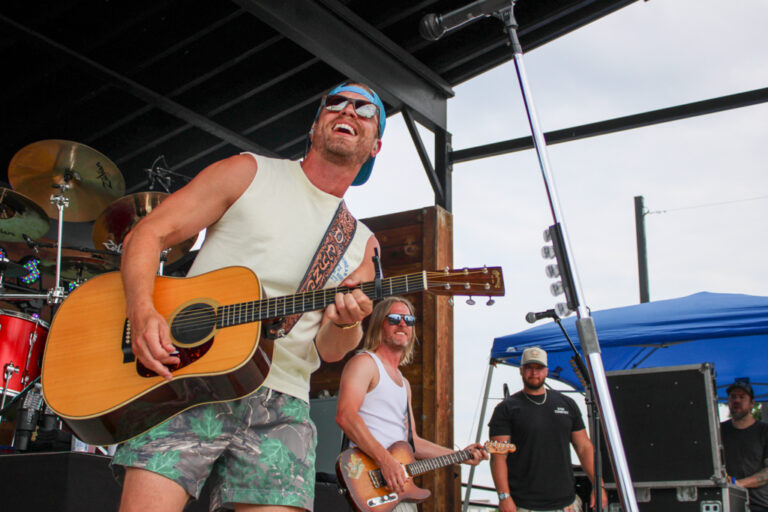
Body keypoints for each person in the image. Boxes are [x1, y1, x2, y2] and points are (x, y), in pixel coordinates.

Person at [111, 81, 388, 512]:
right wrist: (142, 310)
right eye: (334, 102)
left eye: (365, 110)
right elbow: (148, 233)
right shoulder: (248, 172)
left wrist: (348, 321)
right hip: (188, 377)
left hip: (283, 406)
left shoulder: (363, 243)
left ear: (375, 146)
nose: (348, 110)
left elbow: (331, 351)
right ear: (315, 127)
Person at [335, 297, 487, 512]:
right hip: (372, 483)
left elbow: (413, 443)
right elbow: (345, 416)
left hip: (399, 488)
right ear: (379, 323)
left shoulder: (404, 383)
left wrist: (460, 455)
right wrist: (386, 462)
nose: (403, 324)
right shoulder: (365, 363)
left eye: (409, 319)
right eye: (395, 318)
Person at [488, 347, 607, 512]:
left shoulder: (567, 404)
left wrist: (598, 486)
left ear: (546, 371)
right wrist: (504, 496)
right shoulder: (506, 408)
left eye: (539, 368)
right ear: (521, 371)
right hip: (523, 505)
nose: (534, 373)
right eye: (529, 368)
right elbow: (498, 457)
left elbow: (584, 447)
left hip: (567, 504)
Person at [721, 380, 768, 512]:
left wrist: (737, 484)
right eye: (733, 397)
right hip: (725, 502)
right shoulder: (718, 430)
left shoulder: (764, 431)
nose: (737, 400)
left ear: (752, 403)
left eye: (742, 397)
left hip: (758, 504)